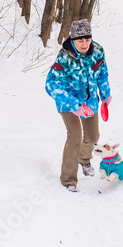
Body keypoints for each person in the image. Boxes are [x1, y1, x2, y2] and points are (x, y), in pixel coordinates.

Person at [45, 19, 111, 192]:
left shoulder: (97, 51)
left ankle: (84, 159)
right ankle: (68, 179)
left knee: (92, 136)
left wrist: (105, 95)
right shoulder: (64, 56)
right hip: (68, 102)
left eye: (87, 39)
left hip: (90, 102)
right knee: (74, 136)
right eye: (80, 40)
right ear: (73, 39)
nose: (84, 44)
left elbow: (102, 73)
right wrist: (73, 104)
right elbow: (51, 84)